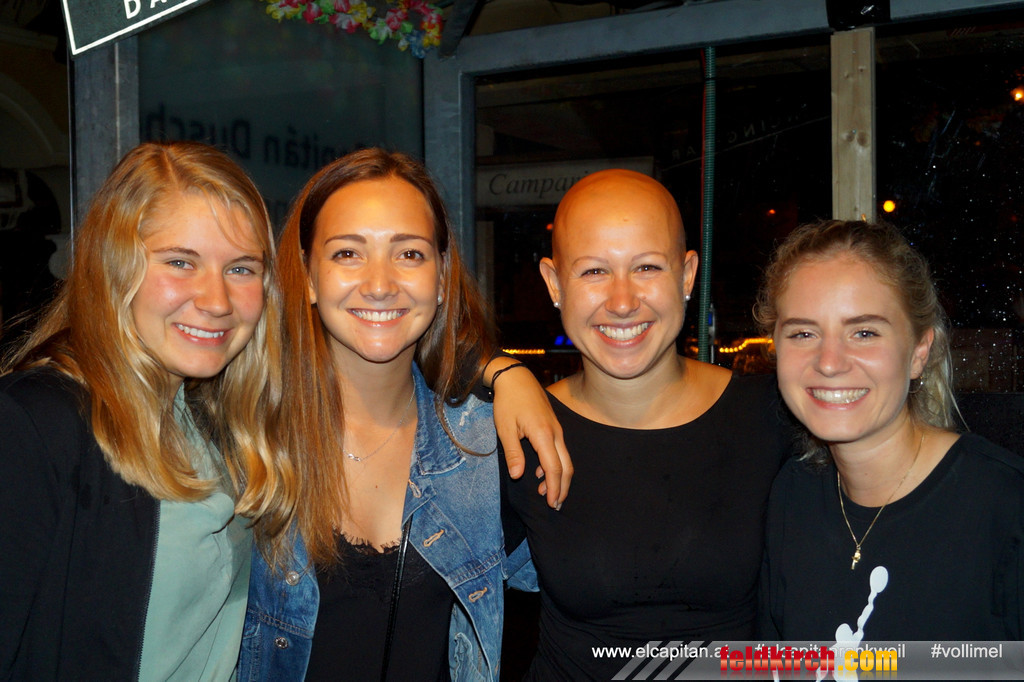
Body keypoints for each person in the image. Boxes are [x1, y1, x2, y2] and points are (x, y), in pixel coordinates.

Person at [240, 148, 568, 682]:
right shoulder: (241, 437)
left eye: (409, 254)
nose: (379, 283)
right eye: (348, 253)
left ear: (441, 277)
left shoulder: (485, 444)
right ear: (308, 276)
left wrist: (507, 372)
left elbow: (596, 600)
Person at [0, 141, 292, 679]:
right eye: (181, 262)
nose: (217, 300)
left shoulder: (216, 421)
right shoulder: (32, 426)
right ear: (114, 265)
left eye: (241, 268)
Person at [501, 168, 792, 679]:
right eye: (594, 271)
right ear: (554, 283)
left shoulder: (773, 418)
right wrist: (495, 371)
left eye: (647, 267)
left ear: (687, 276)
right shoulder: (518, 434)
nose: (622, 301)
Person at [755, 219, 1024, 641]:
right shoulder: (793, 494)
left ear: (919, 352)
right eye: (803, 333)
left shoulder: (1006, 509)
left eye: (864, 332)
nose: (829, 362)